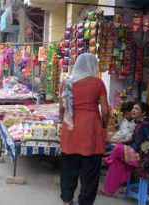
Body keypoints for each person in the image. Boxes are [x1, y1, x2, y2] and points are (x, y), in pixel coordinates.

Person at [59, 53, 109, 205]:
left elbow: (61, 108)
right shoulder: (98, 83)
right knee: (90, 172)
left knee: (68, 169)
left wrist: (63, 122)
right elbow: (105, 111)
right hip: (91, 130)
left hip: (71, 128)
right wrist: (104, 125)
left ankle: (67, 200)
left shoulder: (66, 82)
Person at [100, 102, 149, 196]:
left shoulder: (145, 125)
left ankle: (107, 160)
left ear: (143, 113)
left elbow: (142, 146)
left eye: (137, 109)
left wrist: (124, 147)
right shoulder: (140, 123)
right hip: (140, 154)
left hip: (146, 159)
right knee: (117, 161)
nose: (133, 110)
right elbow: (134, 141)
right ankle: (108, 190)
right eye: (133, 108)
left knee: (118, 148)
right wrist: (124, 145)